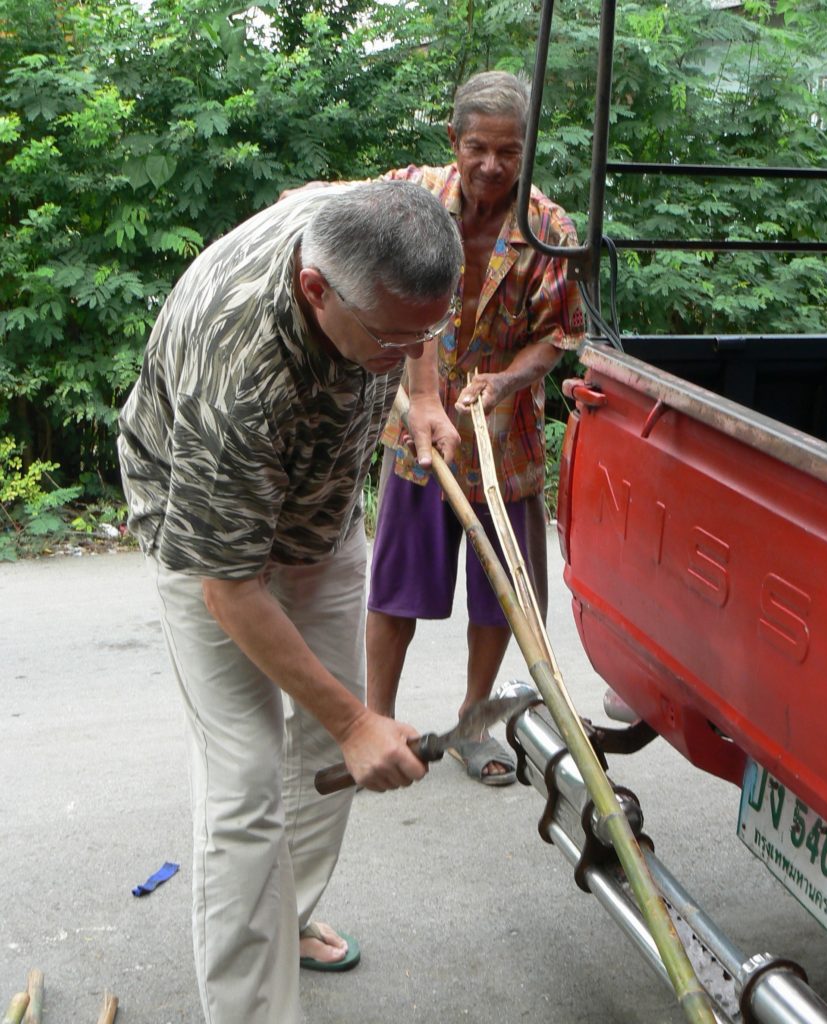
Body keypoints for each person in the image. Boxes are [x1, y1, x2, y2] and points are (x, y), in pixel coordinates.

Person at [117, 180, 463, 1024]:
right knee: (242, 781)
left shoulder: (371, 224)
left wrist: (420, 388)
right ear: (316, 290)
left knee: (324, 749)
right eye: (391, 337)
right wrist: (357, 721)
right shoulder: (237, 367)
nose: (409, 346)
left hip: (319, 512)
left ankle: (290, 916)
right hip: (208, 540)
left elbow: (411, 317)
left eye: (428, 328)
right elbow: (230, 589)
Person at [365, 71, 586, 785]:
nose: (492, 165)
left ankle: (470, 725)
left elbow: (561, 336)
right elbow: (336, 218)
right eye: (478, 148)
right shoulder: (412, 196)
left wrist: (506, 381)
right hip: (417, 438)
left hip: (506, 442)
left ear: (526, 153)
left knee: (498, 597)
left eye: (509, 151)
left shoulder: (550, 230)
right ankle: (374, 724)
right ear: (452, 143)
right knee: (395, 589)